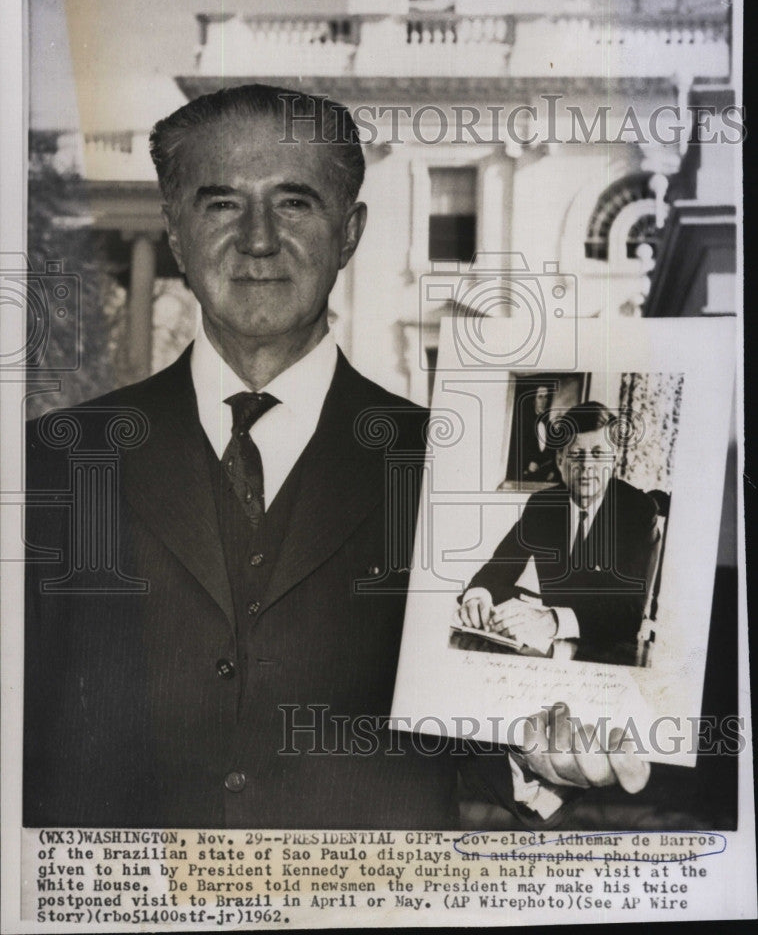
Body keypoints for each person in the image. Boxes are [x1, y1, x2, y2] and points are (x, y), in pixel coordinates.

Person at [24, 85, 648, 829]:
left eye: (295, 204)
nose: (258, 239)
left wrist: (537, 753)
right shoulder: (52, 466)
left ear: (349, 233)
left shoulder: (443, 467)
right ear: (176, 231)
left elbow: (479, 724)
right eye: (221, 203)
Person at [459, 401, 661, 664]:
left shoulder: (637, 510)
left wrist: (554, 620)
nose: (586, 466)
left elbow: (629, 612)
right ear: (560, 460)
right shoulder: (542, 507)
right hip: (550, 652)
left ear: (613, 460)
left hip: (611, 657)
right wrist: (478, 597)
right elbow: (497, 569)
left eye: (598, 454)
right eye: (576, 454)